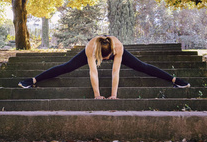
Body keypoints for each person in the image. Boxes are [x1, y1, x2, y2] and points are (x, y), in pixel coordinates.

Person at [18, 35, 190, 99]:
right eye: (104, 58)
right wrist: (97, 95)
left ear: (112, 53)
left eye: (107, 58)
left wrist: (114, 95)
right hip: (91, 51)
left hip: (118, 50)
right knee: (67, 66)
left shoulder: (119, 48)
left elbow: (115, 72)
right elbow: (93, 72)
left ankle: (175, 80)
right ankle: (32, 80)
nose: (106, 60)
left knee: (142, 66)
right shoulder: (91, 48)